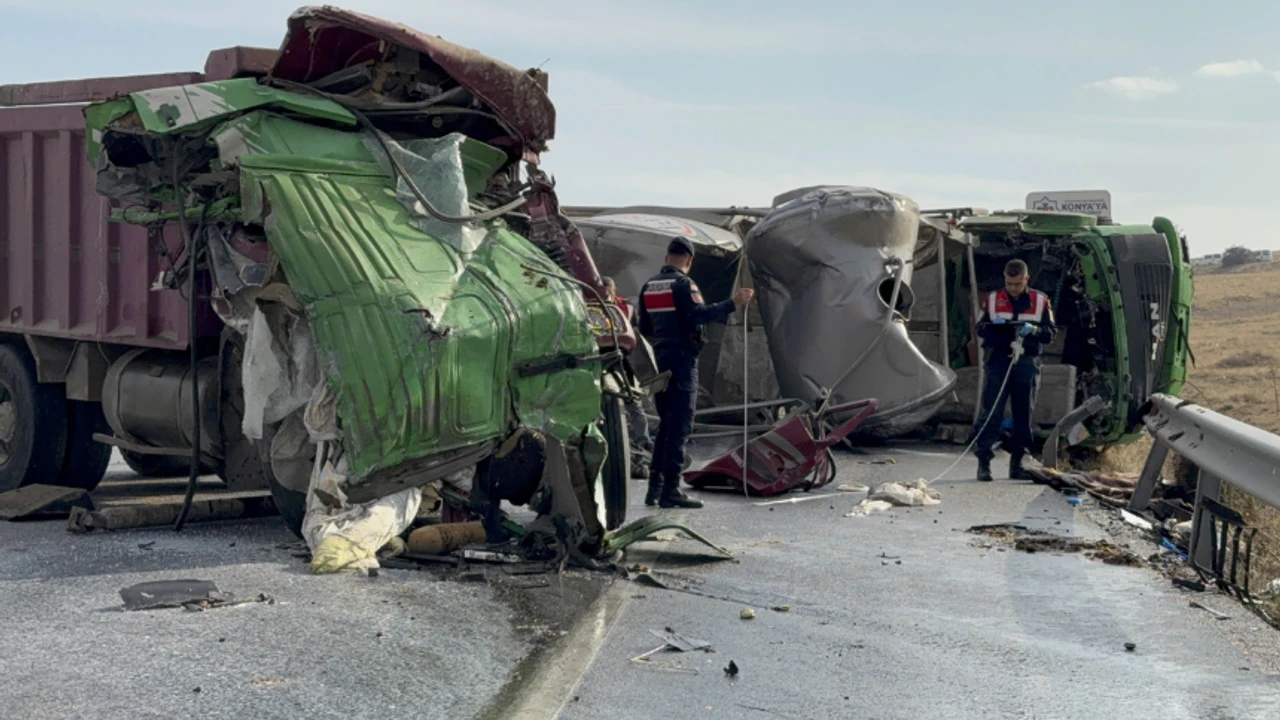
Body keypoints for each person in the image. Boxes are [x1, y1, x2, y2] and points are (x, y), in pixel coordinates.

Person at [638, 237, 753, 508]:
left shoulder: (649, 286)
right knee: (680, 425)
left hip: (660, 361)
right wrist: (734, 302)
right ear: (689, 261)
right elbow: (700, 314)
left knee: (666, 425)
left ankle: (654, 489)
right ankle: (671, 490)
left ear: (667, 258)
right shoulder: (684, 284)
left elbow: (644, 327)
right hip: (682, 361)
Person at [973, 258, 1056, 482]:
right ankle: (983, 463)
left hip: (1026, 361)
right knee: (992, 413)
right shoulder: (992, 300)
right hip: (998, 361)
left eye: (1017, 284)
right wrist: (995, 327)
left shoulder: (1040, 301)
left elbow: (1050, 333)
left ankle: (1017, 463)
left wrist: (1034, 330)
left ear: (1026, 279)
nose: (1012, 288)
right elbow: (980, 328)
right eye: (1009, 284)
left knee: (1023, 415)